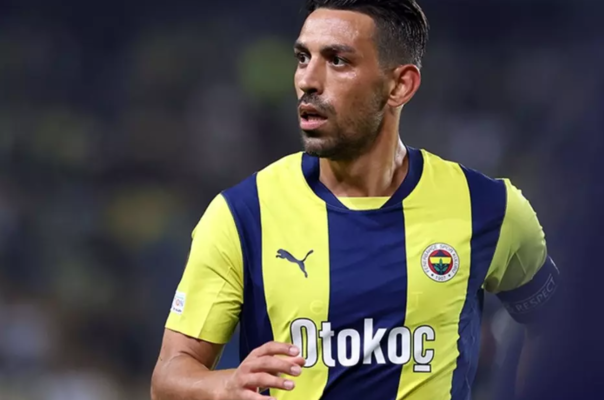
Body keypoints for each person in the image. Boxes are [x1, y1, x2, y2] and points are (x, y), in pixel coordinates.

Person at [150, 1, 560, 399]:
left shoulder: (488, 207)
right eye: (303, 58)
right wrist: (223, 386)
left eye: (337, 60)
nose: (308, 80)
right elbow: (169, 376)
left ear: (400, 85)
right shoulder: (243, 214)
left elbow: (553, 323)